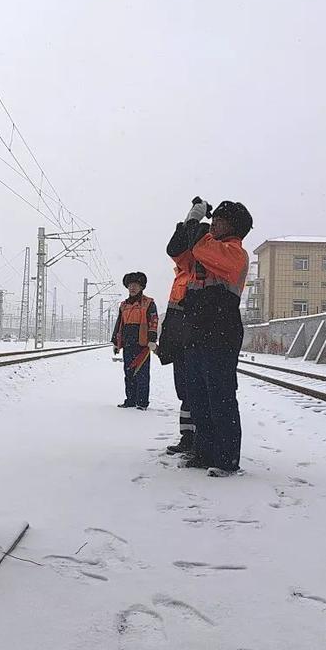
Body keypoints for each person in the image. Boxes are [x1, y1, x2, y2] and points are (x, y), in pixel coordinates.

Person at [167, 199, 252, 477]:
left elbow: (202, 246)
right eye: (213, 219)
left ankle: (226, 459)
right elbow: (177, 249)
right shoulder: (204, 251)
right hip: (196, 331)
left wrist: (196, 223)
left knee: (221, 396)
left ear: (235, 227)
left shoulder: (235, 253)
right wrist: (187, 219)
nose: (214, 222)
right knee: (199, 395)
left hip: (221, 332)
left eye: (220, 219)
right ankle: (204, 453)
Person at [157, 258, 196, 454]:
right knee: (184, 393)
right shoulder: (180, 276)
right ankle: (188, 437)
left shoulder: (195, 273)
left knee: (192, 394)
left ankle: (197, 439)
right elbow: (173, 315)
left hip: (190, 344)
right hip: (180, 345)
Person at [111, 272, 159, 410]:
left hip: (142, 344)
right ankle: (130, 400)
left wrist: (152, 339)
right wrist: (116, 342)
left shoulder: (149, 303)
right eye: (130, 285)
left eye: (136, 285)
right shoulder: (123, 305)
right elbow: (119, 323)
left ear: (141, 287)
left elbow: (154, 321)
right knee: (129, 373)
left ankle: (142, 402)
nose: (132, 288)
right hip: (128, 344)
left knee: (142, 374)